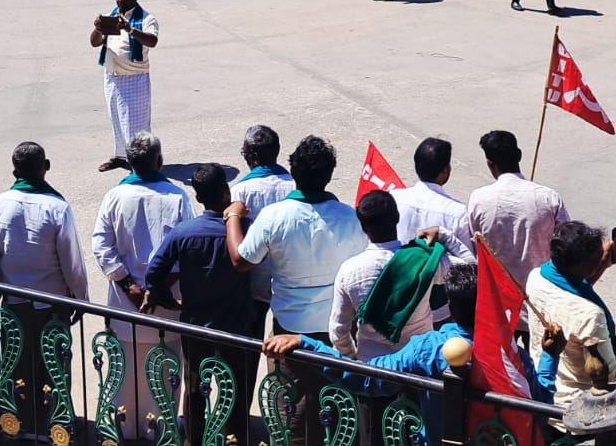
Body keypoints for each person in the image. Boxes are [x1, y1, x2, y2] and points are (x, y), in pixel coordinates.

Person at [263, 264, 560, 446]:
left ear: (452, 309)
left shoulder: (429, 348)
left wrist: (308, 344)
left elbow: (366, 379)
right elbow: (542, 402)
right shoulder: (510, 354)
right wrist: (549, 355)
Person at [225, 135, 366, 444]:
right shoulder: (350, 218)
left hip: (289, 331)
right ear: (329, 175)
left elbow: (240, 259)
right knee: (337, 405)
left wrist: (233, 216)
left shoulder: (274, 216)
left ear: (294, 173)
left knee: (290, 410)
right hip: (336, 329)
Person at [90, 131, 193, 440]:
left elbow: (101, 246)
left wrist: (129, 287)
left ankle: (122, 430)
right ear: (159, 161)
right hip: (165, 308)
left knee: (124, 374)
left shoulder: (115, 196)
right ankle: (159, 433)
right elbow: (185, 251)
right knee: (162, 375)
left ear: (130, 163)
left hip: (126, 307)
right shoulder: (177, 197)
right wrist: (157, 289)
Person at [143, 163, 254, 446]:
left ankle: (194, 439)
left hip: (195, 324)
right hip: (235, 325)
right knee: (234, 388)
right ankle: (234, 438)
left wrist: (169, 301)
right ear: (227, 192)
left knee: (194, 388)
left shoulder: (184, 233)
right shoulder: (244, 231)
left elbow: (153, 274)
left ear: (198, 197)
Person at [0, 141, 89, 441]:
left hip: (13, 302)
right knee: (54, 367)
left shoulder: (0, 203)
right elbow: (72, 263)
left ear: (14, 170)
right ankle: (55, 428)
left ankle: (18, 425)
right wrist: (80, 300)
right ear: (46, 167)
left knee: (16, 364)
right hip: (51, 304)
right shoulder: (57, 207)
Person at [330, 190, 468, 361]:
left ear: (362, 226)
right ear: (397, 217)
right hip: (417, 362)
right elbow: (472, 270)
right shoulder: (422, 261)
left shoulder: (349, 270)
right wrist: (444, 235)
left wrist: (353, 357)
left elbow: (338, 331)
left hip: (372, 366)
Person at [467, 130, 568, 308]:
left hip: (499, 305)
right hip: (541, 301)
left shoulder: (478, 199)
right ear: (519, 155)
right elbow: (567, 246)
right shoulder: (548, 197)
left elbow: (476, 248)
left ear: (490, 164)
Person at [527, 221, 616, 406]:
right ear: (584, 265)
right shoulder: (590, 315)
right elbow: (610, 373)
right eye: (596, 257)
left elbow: (572, 290)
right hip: (577, 405)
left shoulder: (536, 276)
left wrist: (601, 264)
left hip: (541, 385)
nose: (601, 256)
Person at [230, 125, 296, 337]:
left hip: (253, 279)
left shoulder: (240, 190)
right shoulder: (294, 185)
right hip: (289, 280)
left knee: (251, 338)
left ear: (254, 157)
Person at [90, 0, 159, 172]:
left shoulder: (146, 19)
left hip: (134, 78)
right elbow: (94, 43)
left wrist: (130, 29)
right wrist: (98, 28)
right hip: (112, 77)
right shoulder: (112, 17)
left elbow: (152, 41)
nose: (119, 0)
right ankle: (121, 156)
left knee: (135, 125)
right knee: (117, 121)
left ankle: (144, 163)